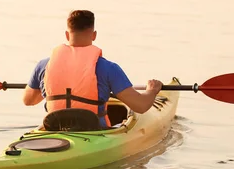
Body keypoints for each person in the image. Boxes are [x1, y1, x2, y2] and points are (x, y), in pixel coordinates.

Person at [23, 10, 163, 128]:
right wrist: (152, 90)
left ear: (67, 34)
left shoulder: (43, 66)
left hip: (54, 129)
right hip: (94, 131)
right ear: (94, 35)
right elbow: (141, 106)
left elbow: (28, 100)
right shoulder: (109, 68)